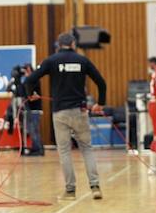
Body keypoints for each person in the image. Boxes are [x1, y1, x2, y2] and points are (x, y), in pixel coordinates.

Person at [25, 33, 107, 200]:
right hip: (80, 112)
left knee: (64, 152)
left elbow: (29, 80)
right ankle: (95, 187)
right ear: (73, 44)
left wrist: (30, 94)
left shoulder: (51, 61)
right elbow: (101, 82)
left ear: (58, 45)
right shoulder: (82, 60)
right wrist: (100, 103)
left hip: (60, 113)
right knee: (87, 149)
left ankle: (70, 191)